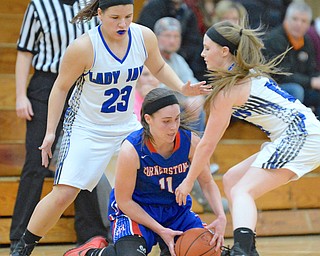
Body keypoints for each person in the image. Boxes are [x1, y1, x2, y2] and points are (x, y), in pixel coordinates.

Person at [11, 0, 209, 255]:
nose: (123, 23)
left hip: (125, 126)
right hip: (86, 128)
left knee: (149, 184)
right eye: (115, 17)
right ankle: (23, 246)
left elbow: (158, 66)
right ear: (100, 14)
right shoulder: (84, 47)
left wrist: (182, 87)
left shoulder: (142, 36)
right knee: (64, 193)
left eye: (128, 16)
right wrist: (50, 132)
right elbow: (59, 88)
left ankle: (161, 241)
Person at [175, 20, 320, 256]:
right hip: (300, 132)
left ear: (224, 51)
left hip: (300, 134)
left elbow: (207, 145)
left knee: (243, 190)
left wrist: (188, 181)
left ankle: (242, 251)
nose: (202, 54)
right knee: (232, 179)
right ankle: (249, 250)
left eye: (207, 48)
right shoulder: (245, 74)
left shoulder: (229, 90)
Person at [63, 87, 227, 256]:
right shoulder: (132, 149)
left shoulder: (191, 143)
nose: (173, 127)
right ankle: (90, 253)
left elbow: (207, 183)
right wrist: (160, 230)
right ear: (148, 119)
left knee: (204, 250)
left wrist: (220, 216)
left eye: (177, 119)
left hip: (175, 212)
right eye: (166, 121)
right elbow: (124, 201)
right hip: (136, 212)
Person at [10, 0, 110, 253]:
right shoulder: (39, 6)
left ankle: (90, 236)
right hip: (45, 86)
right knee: (36, 163)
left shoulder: (90, 5)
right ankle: (20, 237)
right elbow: (24, 53)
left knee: (85, 161)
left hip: (82, 85)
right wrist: (21, 96)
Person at [263, 1, 320, 117]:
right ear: (286, 19)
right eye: (295, 19)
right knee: (296, 90)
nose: (299, 24)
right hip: (274, 87)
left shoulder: (307, 41)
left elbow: (311, 70)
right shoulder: (275, 39)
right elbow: (281, 74)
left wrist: (316, 78)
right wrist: (311, 82)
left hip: (302, 86)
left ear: (309, 24)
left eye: (303, 21)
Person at [137, 0, 206, 81]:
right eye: (167, 36)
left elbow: (191, 82)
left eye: (176, 36)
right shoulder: (147, 61)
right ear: (156, 36)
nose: (172, 41)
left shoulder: (178, 60)